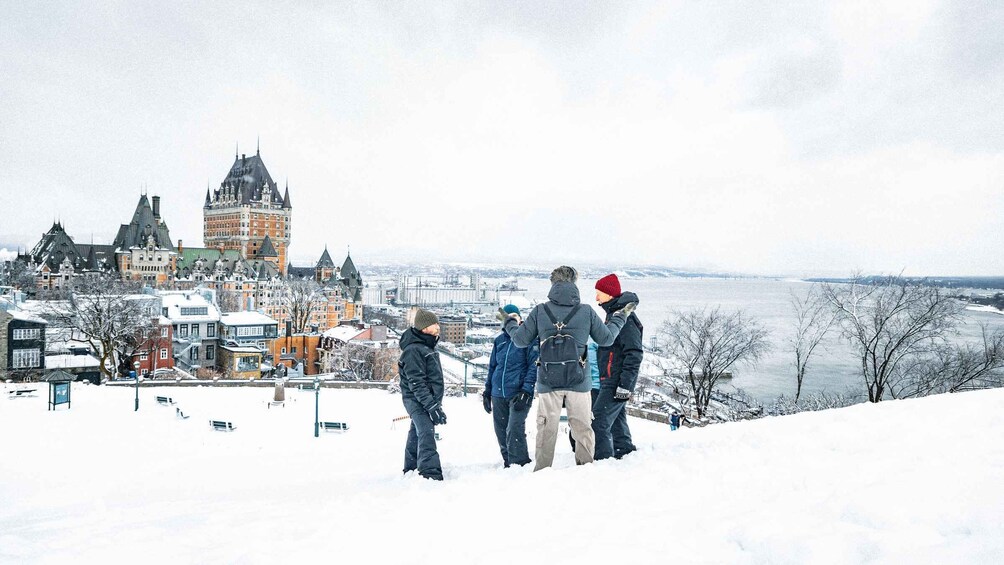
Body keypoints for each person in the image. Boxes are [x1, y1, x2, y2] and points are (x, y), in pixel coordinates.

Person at [502, 266, 636, 471]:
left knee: (547, 429)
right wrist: (620, 316)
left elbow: (520, 340)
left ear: (553, 284)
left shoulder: (540, 311)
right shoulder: (586, 311)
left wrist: (509, 322)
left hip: (548, 380)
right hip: (579, 381)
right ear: (574, 283)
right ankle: (585, 470)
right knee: (582, 428)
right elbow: (607, 339)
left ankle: (543, 471)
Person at [591, 273, 643, 460]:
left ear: (609, 294)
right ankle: (624, 451)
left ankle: (602, 461)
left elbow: (634, 353)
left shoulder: (626, 318)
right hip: (609, 378)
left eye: (599, 293)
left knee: (599, 421)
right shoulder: (613, 314)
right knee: (616, 421)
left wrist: (625, 385)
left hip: (616, 380)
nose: (596, 297)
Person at [483, 304, 539, 467]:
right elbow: (493, 366)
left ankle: (519, 464)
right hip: (498, 393)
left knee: (514, 428)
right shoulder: (499, 341)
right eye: (508, 315)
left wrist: (526, 390)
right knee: (501, 431)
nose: (512, 318)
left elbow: (534, 365)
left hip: (519, 392)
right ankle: (508, 462)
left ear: (521, 319)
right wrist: (487, 391)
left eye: (515, 315)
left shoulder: (528, 339)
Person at [399, 308, 448, 480]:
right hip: (416, 400)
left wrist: (434, 403)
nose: (438, 327)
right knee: (426, 432)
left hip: (425, 400)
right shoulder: (413, 350)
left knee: (417, 432)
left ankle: (411, 468)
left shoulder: (426, 346)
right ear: (425, 327)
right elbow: (416, 383)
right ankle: (430, 473)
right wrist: (431, 405)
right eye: (435, 325)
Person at [569, 339, 600, 452]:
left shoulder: (595, 343)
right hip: (579, 387)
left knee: (592, 419)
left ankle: (589, 448)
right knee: (577, 419)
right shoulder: (576, 342)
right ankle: (577, 446)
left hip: (594, 386)